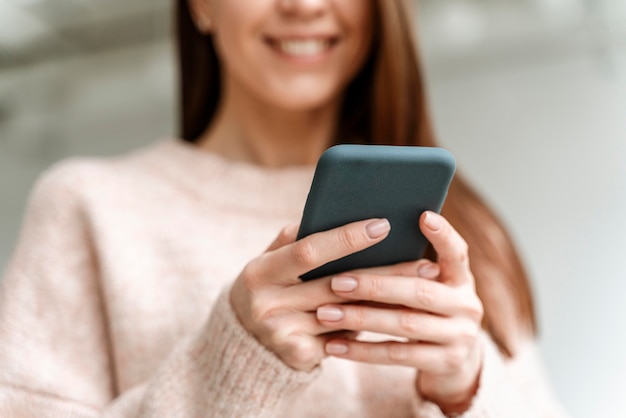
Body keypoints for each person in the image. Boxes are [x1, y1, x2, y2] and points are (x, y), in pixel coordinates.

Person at [0, 0, 568, 417]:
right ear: (199, 6)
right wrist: (227, 366)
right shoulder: (87, 208)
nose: (304, 6)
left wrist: (465, 388)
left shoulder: (463, 226)